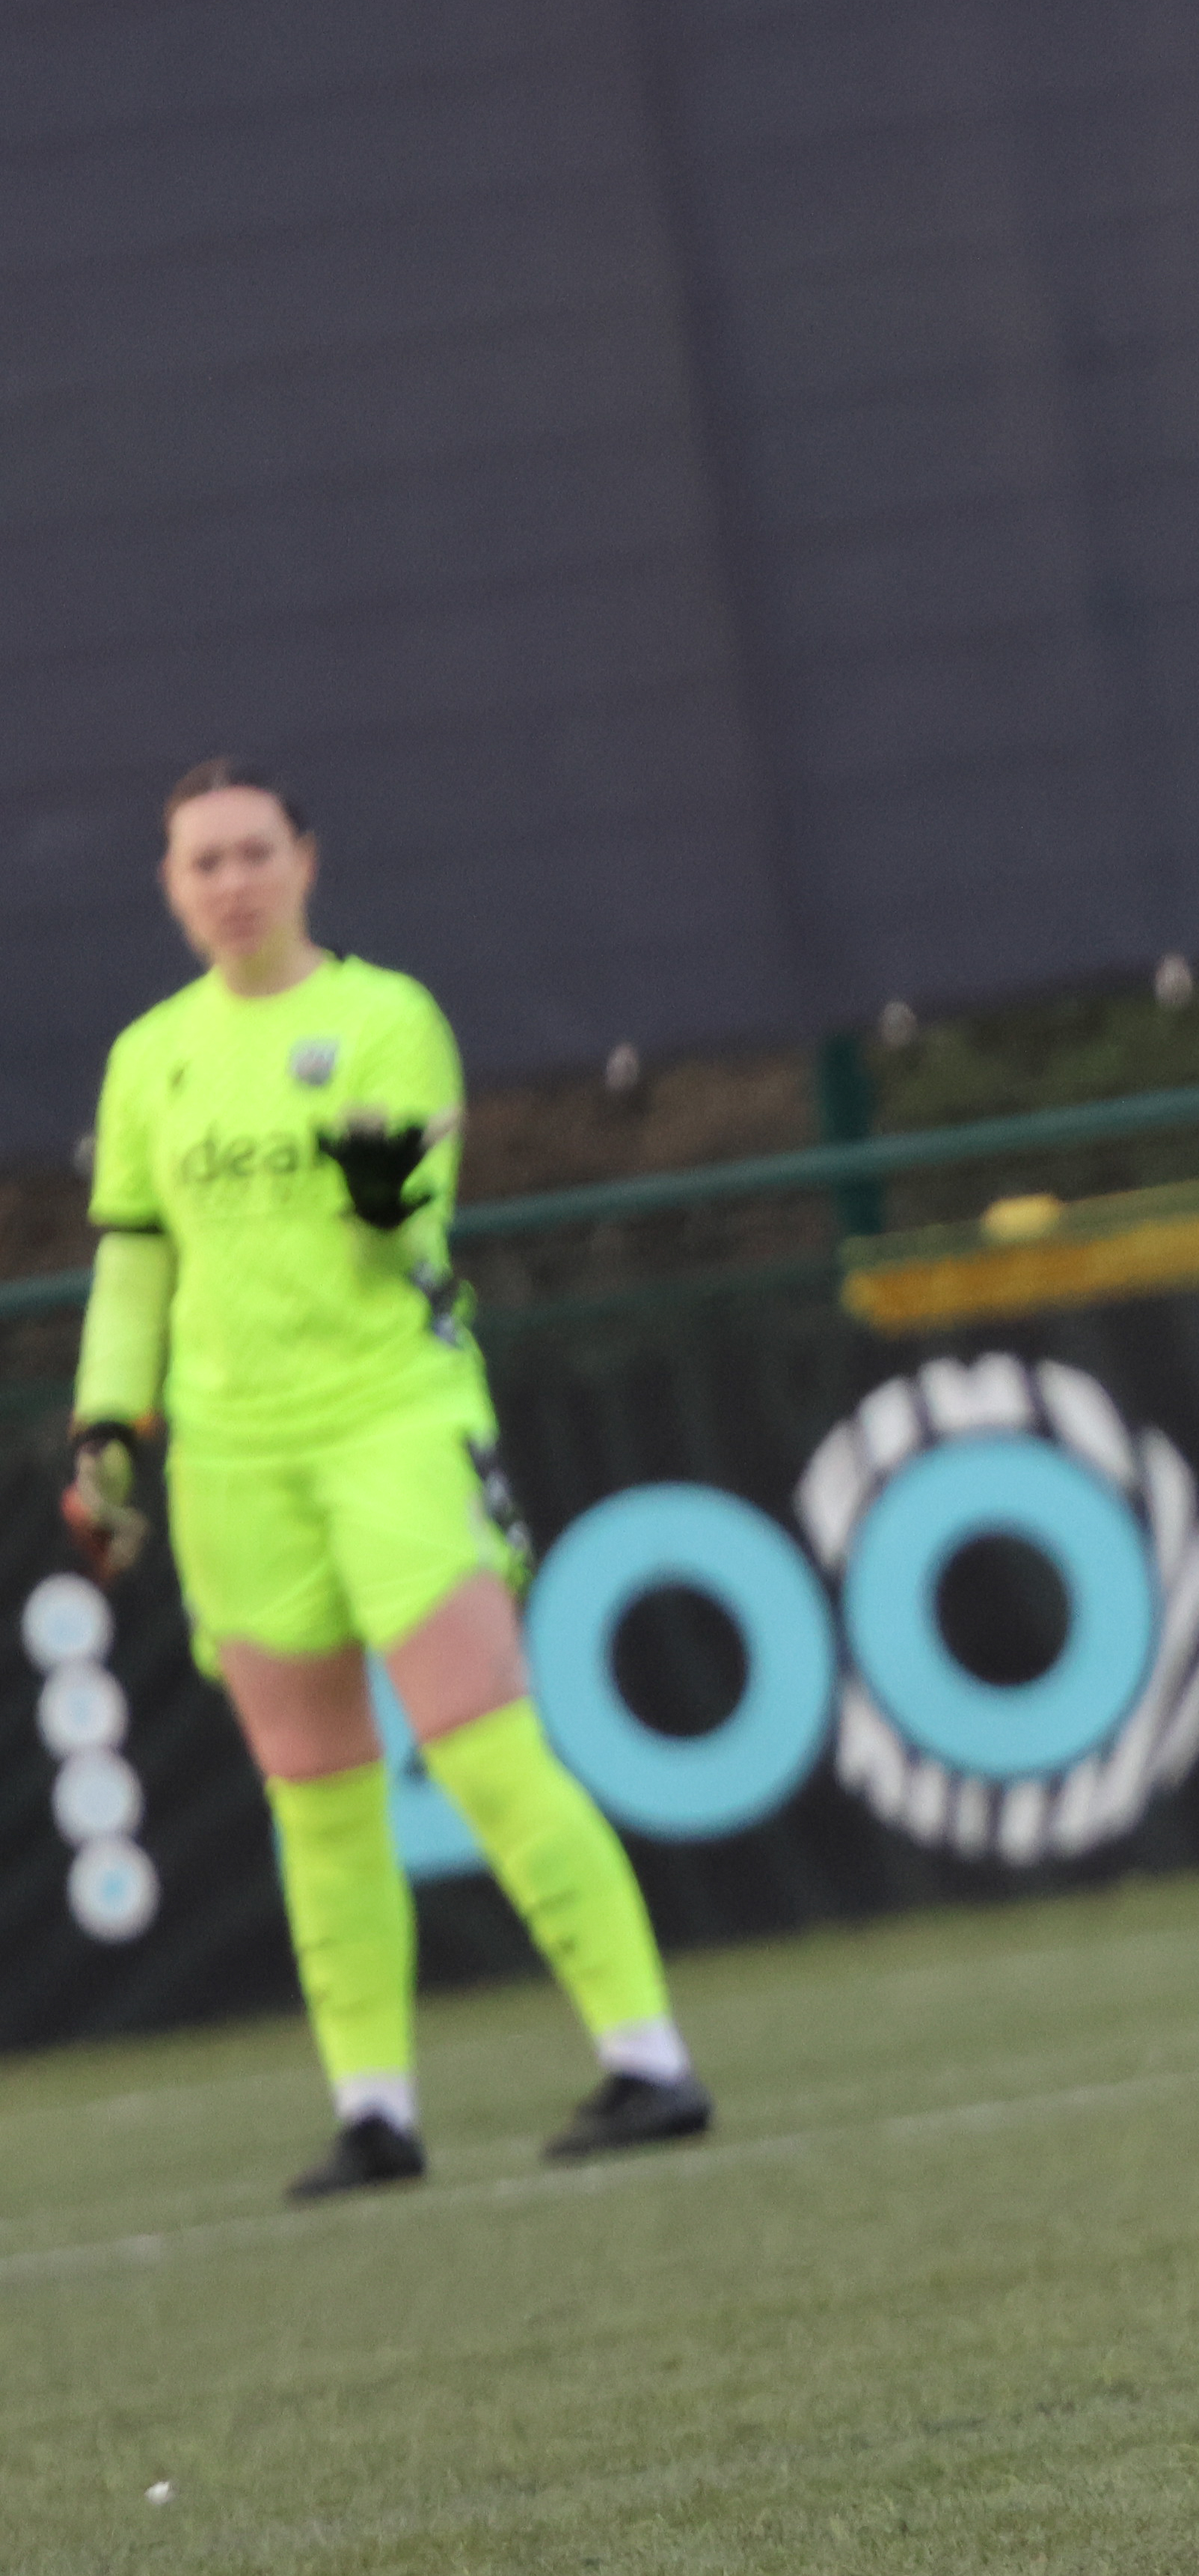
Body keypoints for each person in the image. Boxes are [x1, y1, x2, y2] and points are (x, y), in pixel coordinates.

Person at [61, 762, 712, 2198]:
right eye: (201, 862)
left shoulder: (383, 1016)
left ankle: (650, 2060)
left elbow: (411, 1217)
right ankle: (375, 2112)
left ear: (306, 861)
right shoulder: (150, 1054)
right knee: (315, 1790)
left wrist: (384, 1194)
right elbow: (134, 1254)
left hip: (391, 1418)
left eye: (252, 852)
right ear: (172, 890)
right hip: (234, 1449)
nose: (230, 881)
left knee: (482, 1741)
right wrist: (109, 1423)